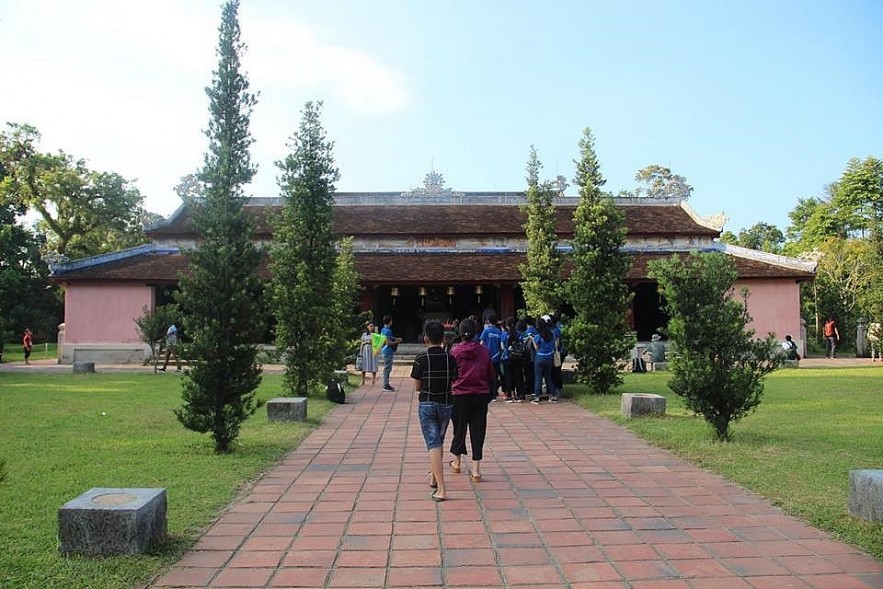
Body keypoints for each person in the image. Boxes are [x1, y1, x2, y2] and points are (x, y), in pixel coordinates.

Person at [410, 320, 458, 502]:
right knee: (438, 441)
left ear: (425, 339)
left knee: (433, 444)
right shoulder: (451, 358)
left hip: (427, 404)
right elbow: (454, 379)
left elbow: (417, 386)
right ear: (443, 339)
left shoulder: (421, 359)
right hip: (446, 404)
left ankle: (442, 488)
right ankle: (433, 476)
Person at [449, 317, 495, 483]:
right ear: (476, 332)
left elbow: (452, 374)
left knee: (459, 429)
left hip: (459, 395)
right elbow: (490, 374)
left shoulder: (454, 351)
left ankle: (457, 461)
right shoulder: (484, 351)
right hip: (480, 394)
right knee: (478, 430)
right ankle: (476, 470)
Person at [530, 317, 558, 404]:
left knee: (538, 378)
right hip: (549, 357)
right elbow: (554, 344)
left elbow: (536, 348)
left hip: (539, 358)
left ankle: (537, 398)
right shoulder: (552, 334)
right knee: (548, 378)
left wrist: (532, 339)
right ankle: (553, 395)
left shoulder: (538, 336)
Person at [501, 318, 527, 402]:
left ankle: (509, 395)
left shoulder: (504, 334)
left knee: (508, 377)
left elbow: (502, 347)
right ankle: (520, 394)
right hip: (518, 357)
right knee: (518, 376)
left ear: (506, 325)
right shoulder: (519, 334)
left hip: (507, 357)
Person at [479, 311, 504, 400]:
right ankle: (495, 392)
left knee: (487, 375)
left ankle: (489, 392)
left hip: (487, 357)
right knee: (495, 375)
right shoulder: (499, 332)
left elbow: (481, 343)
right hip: (496, 357)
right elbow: (501, 346)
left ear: (489, 321)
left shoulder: (486, 331)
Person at [380, 314, 402, 391]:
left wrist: (396, 339)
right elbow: (388, 342)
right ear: (390, 321)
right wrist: (397, 341)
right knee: (387, 368)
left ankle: (386, 383)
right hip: (388, 351)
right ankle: (385, 384)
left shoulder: (383, 329)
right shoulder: (388, 331)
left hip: (384, 350)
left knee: (387, 368)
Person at [359, 322, 379, 386]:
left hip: (372, 349)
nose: (371, 328)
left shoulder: (375, 334)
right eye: (370, 326)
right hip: (365, 350)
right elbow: (362, 343)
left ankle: (373, 379)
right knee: (364, 365)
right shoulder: (364, 334)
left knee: (373, 364)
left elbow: (377, 343)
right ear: (367, 327)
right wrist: (361, 351)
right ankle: (363, 380)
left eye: (372, 326)